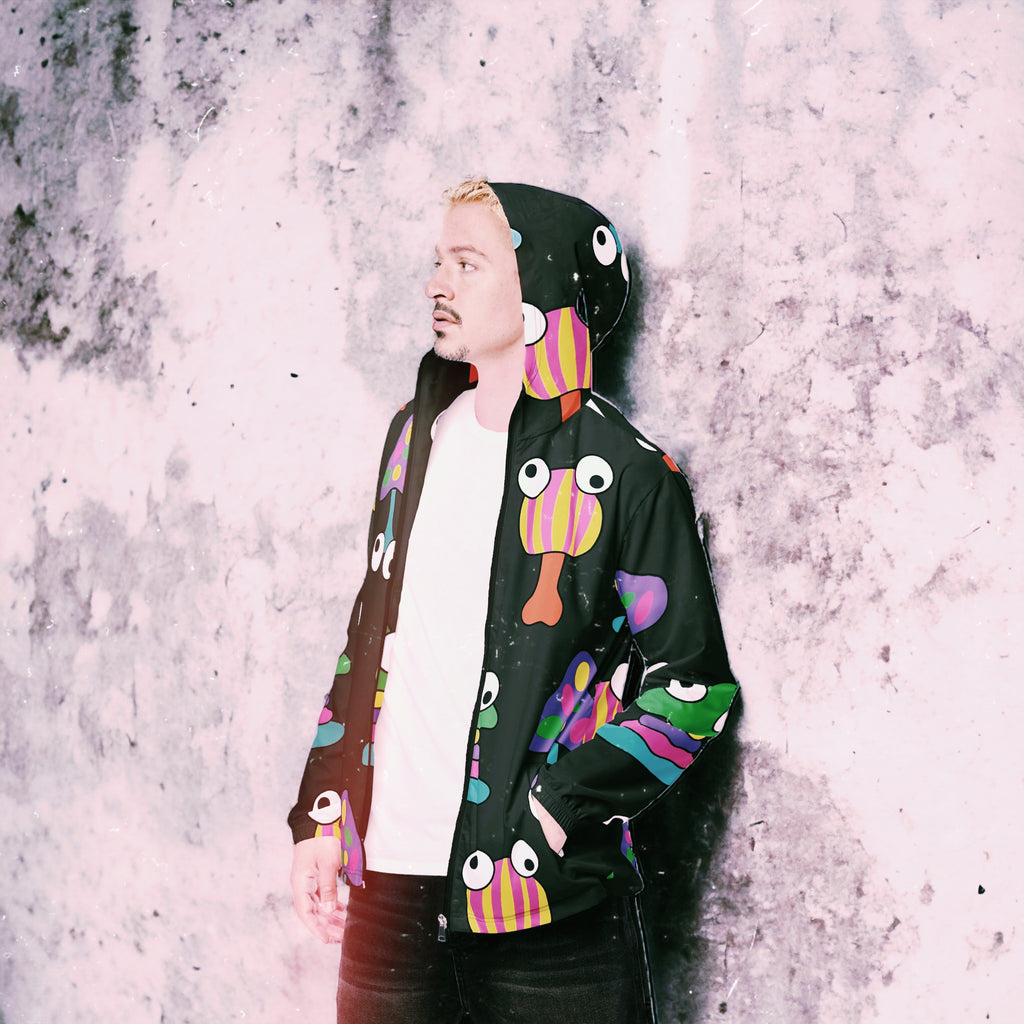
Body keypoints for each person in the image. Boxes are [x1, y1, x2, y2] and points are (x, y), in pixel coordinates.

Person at [288, 178, 738, 1024]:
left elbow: (694, 688)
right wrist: (323, 811)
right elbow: (371, 636)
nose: (438, 283)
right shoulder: (413, 438)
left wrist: (560, 807)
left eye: (468, 263)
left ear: (542, 288)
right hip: (387, 888)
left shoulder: (629, 474)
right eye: (438, 261)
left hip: (544, 901)